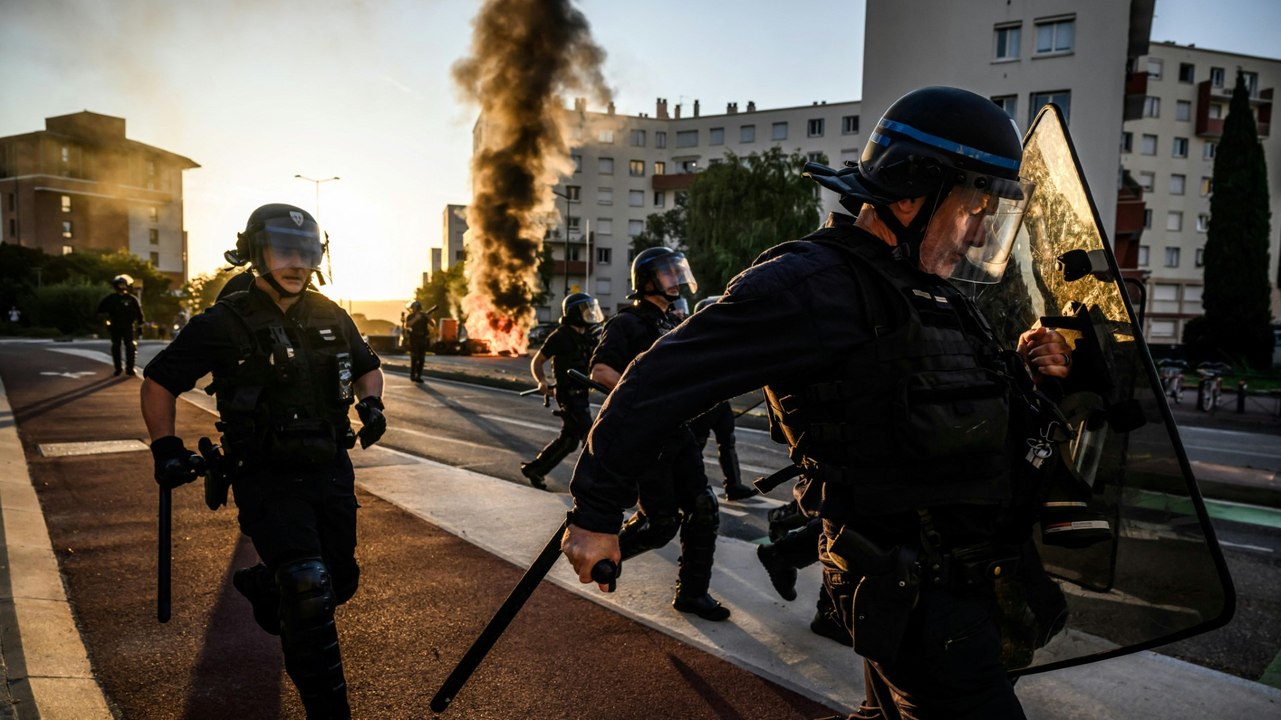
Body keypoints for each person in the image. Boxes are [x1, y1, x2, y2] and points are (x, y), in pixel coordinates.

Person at [561, 86, 1074, 719]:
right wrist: (595, 510)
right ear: (913, 193)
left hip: (962, 588)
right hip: (917, 597)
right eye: (974, 207)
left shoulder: (935, 293)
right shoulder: (812, 283)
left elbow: (955, 411)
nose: (979, 233)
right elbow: (657, 379)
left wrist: (1031, 374)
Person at [140, 203, 385, 719]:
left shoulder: (330, 313)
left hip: (330, 468)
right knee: (307, 588)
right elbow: (160, 380)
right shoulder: (224, 322)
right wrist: (165, 447)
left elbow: (367, 368)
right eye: (283, 250)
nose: (296, 263)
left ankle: (261, 584)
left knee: (338, 582)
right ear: (256, 252)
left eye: (305, 251)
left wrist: (371, 403)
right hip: (266, 475)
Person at [586, 247, 732, 622]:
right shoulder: (627, 323)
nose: (675, 279)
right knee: (660, 524)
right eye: (667, 273)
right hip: (647, 438)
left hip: (678, 431)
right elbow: (601, 370)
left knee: (704, 508)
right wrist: (643, 403)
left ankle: (692, 593)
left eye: (676, 272)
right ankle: (605, 557)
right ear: (648, 280)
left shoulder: (673, 322)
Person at [520, 292, 603, 490]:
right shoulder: (560, 336)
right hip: (568, 396)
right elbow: (537, 361)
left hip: (581, 395)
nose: (590, 313)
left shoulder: (588, 335)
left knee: (569, 441)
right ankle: (592, 484)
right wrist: (542, 381)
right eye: (585, 309)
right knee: (589, 437)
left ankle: (535, 469)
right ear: (574, 312)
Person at [686, 295, 757, 502]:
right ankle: (693, 487)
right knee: (694, 448)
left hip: (721, 403)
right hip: (703, 405)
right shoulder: (695, 343)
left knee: (727, 443)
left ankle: (733, 485)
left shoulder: (725, 340)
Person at [98, 274, 144, 375]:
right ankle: (118, 368)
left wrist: (140, 325)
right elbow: (100, 311)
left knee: (130, 346)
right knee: (116, 346)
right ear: (115, 285)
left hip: (128, 326)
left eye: (123, 284)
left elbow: (139, 313)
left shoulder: (132, 299)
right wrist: (106, 322)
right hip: (115, 326)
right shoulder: (110, 299)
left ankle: (130, 368)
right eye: (120, 284)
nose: (122, 287)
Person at [402, 300, 432, 382]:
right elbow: (407, 325)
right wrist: (416, 319)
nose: (413, 309)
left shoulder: (424, 316)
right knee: (414, 357)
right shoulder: (410, 316)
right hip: (414, 339)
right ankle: (412, 375)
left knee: (421, 359)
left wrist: (429, 318)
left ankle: (418, 375)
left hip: (422, 339)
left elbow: (432, 324)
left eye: (414, 308)